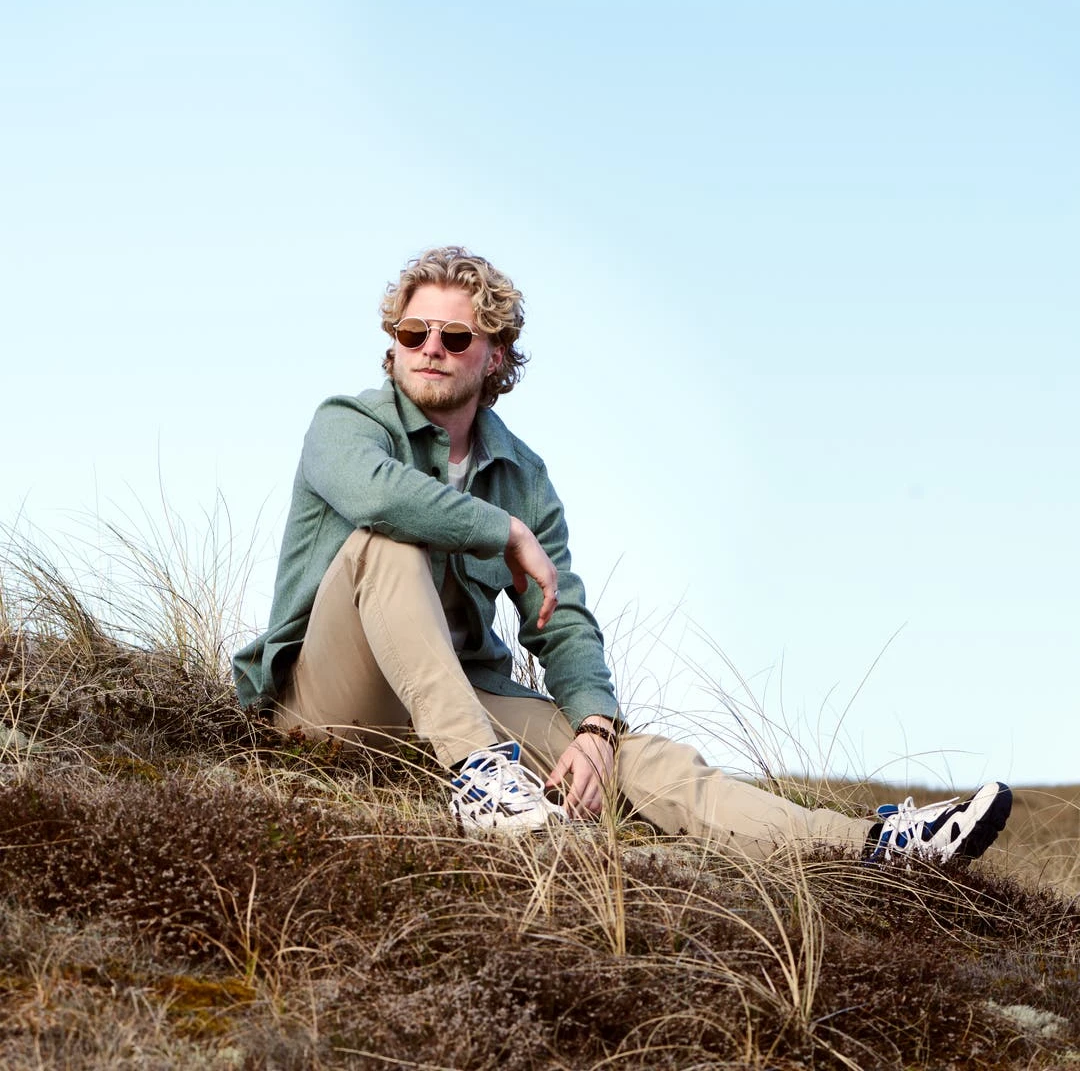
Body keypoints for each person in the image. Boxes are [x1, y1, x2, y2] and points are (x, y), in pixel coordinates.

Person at [233, 246, 1012, 862]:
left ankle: (875, 845)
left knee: (639, 759)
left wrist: (595, 729)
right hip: (327, 707)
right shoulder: (345, 425)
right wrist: (503, 532)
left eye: (454, 337)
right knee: (386, 541)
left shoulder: (523, 476)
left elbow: (561, 619)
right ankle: (483, 782)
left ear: (495, 356)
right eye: (413, 334)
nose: (429, 348)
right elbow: (376, 497)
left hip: (454, 705)